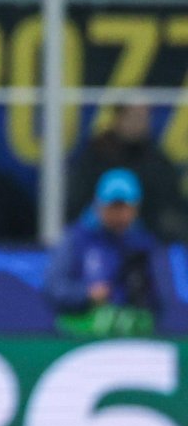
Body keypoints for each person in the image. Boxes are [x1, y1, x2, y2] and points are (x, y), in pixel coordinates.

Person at [45, 169, 161, 337]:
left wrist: (141, 296)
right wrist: (87, 294)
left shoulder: (144, 244)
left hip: (130, 338)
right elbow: (54, 288)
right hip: (79, 336)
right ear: (99, 205)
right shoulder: (76, 239)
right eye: (113, 207)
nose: (120, 215)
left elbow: (162, 299)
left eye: (125, 208)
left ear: (136, 208)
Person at [66, 100, 186, 242]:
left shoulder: (155, 158)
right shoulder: (98, 153)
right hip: (99, 234)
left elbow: (172, 200)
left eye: (144, 117)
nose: (140, 123)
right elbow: (78, 201)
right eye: (135, 116)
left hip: (149, 233)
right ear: (119, 118)